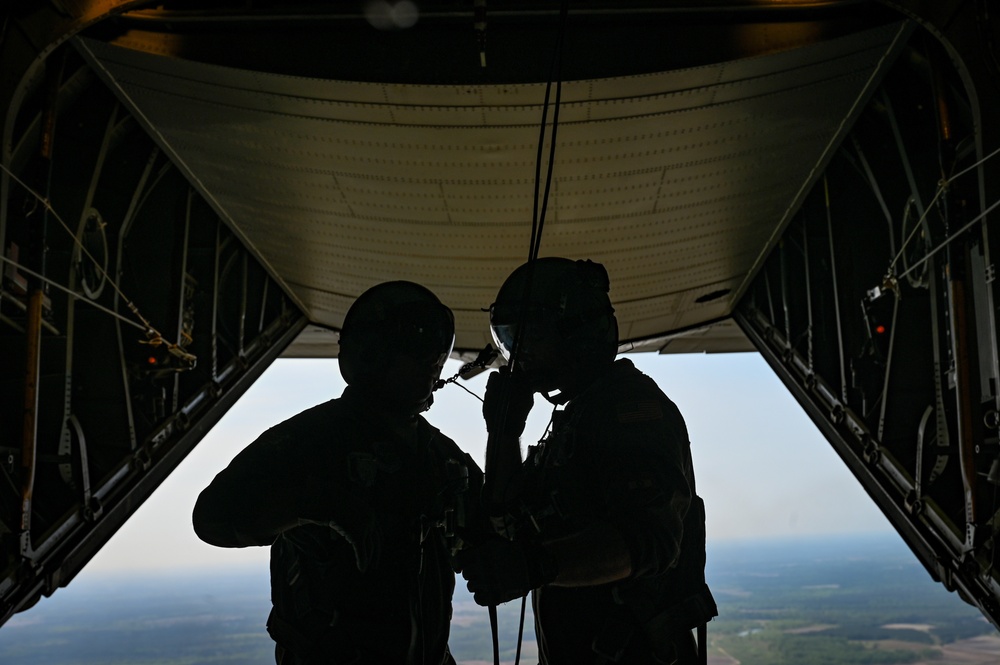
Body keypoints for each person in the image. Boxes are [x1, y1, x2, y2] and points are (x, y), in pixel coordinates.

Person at [192, 281, 482, 665]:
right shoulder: (309, 441)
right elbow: (212, 518)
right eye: (416, 351)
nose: (432, 364)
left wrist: (505, 435)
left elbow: (497, 527)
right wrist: (322, 505)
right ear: (375, 356)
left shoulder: (443, 458)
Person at [460, 257, 716, 664]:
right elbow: (507, 516)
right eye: (511, 340)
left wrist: (534, 565)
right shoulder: (575, 422)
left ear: (579, 336)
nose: (519, 354)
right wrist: (504, 432)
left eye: (532, 338)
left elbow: (649, 541)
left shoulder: (631, 410)